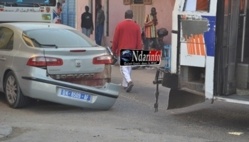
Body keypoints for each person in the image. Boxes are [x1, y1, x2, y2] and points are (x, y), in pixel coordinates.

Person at [112, 10, 142, 93]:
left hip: (123, 49)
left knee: (123, 68)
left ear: (125, 16)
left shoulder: (120, 25)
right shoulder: (137, 26)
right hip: (132, 49)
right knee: (128, 67)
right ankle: (125, 84)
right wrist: (139, 51)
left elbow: (115, 39)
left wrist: (114, 50)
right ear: (132, 16)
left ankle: (129, 81)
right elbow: (139, 41)